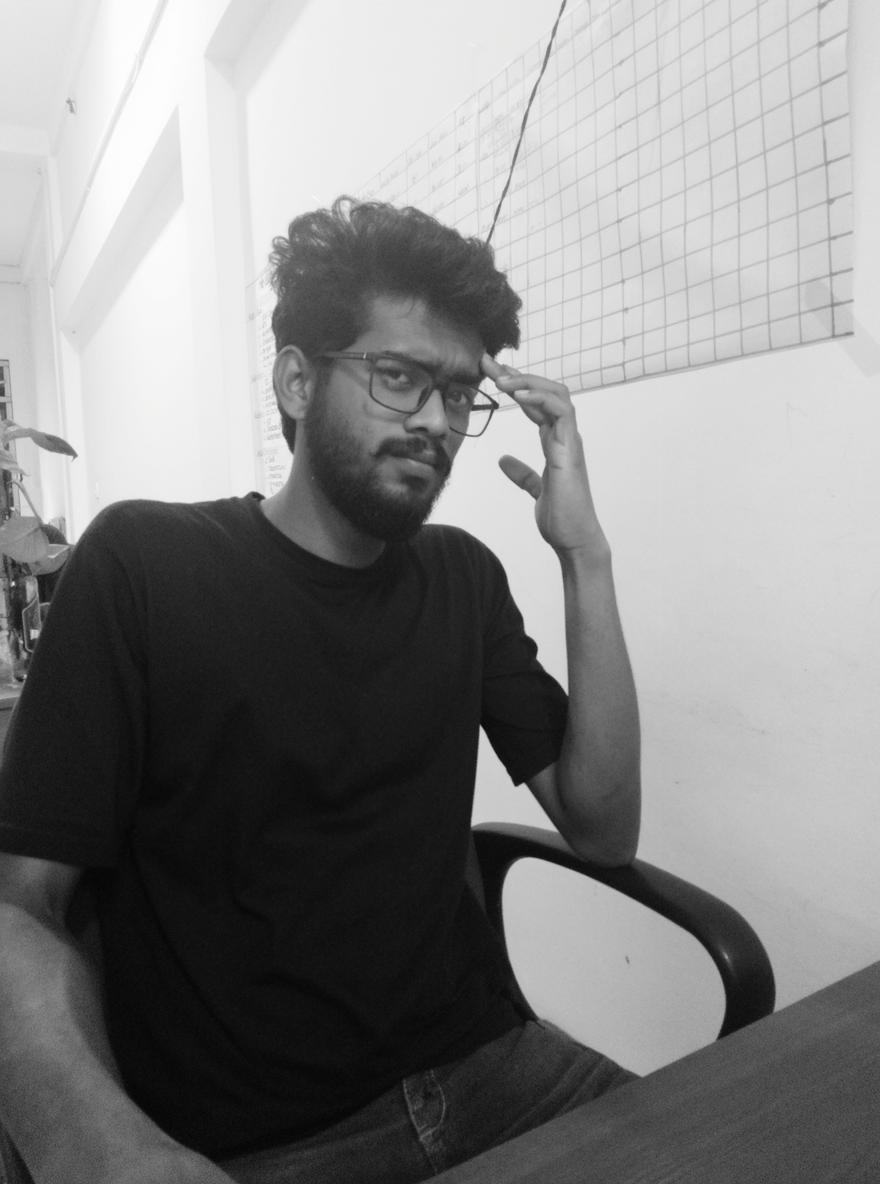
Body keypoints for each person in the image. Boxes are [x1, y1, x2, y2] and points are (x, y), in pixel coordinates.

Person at [0, 197, 641, 1184]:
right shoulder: (146, 566)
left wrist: (584, 553)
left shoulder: (462, 579)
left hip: (494, 1069)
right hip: (267, 1141)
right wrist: (97, 1137)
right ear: (295, 379)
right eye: (398, 376)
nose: (435, 418)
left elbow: (601, 824)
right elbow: (23, 899)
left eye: (460, 391)